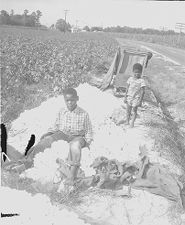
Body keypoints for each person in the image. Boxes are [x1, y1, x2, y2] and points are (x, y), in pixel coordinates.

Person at [25, 88, 93, 185]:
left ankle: (72, 175)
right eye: (67, 100)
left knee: (74, 146)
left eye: (72, 100)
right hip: (63, 133)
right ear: (64, 100)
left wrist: (87, 142)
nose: (69, 103)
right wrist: (49, 133)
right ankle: (27, 162)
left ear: (77, 99)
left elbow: (89, 131)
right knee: (46, 140)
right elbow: (56, 126)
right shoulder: (62, 111)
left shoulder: (84, 114)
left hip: (77, 136)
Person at [124, 63, 146, 128]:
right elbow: (127, 88)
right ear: (133, 72)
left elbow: (143, 91)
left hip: (136, 98)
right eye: (135, 72)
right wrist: (125, 97)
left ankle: (132, 123)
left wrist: (140, 101)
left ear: (141, 72)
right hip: (129, 97)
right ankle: (127, 121)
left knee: (134, 110)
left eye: (139, 72)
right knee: (128, 110)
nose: (137, 74)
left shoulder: (141, 81)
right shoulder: (130, 79)